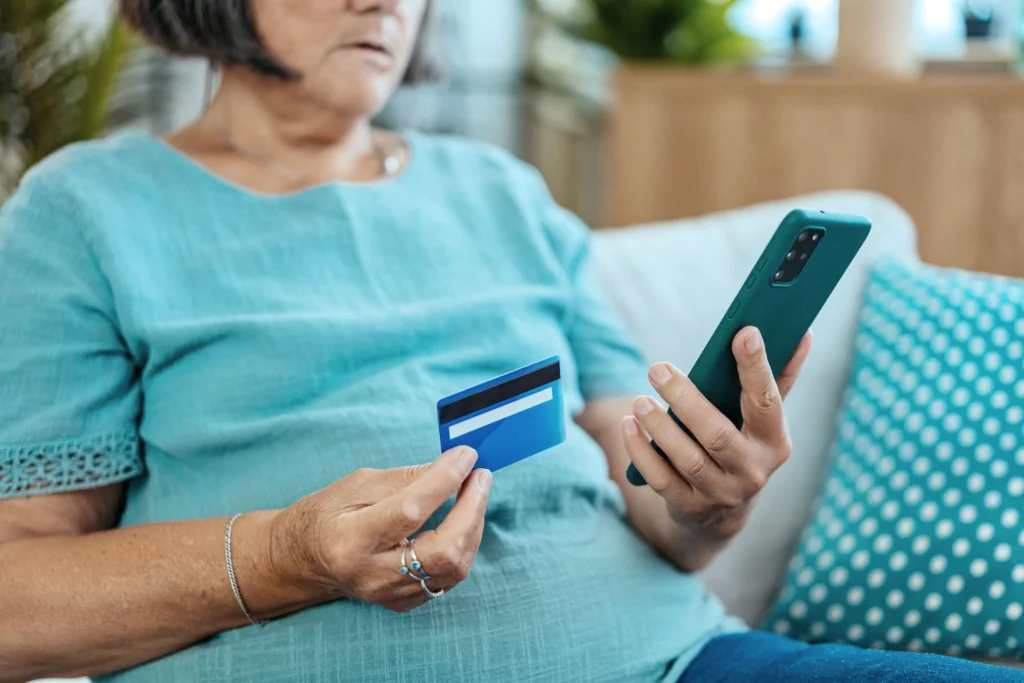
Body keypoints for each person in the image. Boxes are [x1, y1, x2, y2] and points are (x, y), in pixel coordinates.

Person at [0, 1, 1019, 681]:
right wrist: (283, 557)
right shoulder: (84, 210)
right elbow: (17, 601)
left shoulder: (502, 191)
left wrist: (714, 496)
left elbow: (656, 498)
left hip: (672, 659)